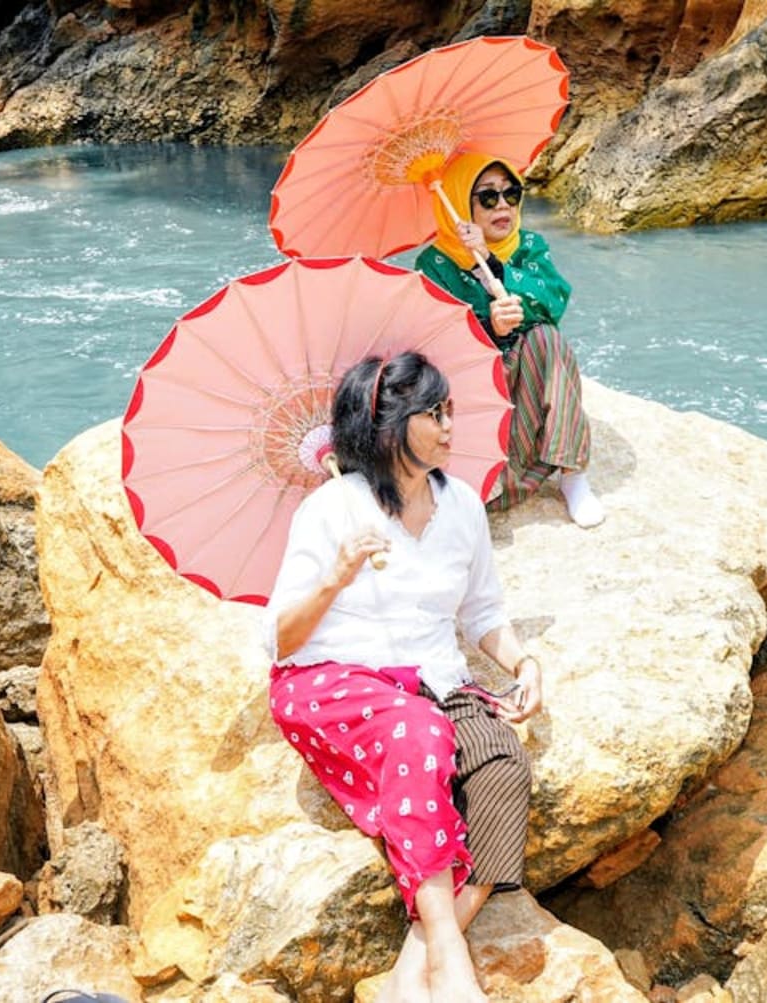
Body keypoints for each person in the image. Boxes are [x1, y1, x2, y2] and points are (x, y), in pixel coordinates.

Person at [269, 351, 543, 1002]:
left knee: (503, 768)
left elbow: (482, 611)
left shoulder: (463, 505)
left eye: (450, 409)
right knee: (418, 733)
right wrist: (336, 575)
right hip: (333, 681)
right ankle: (450, 961)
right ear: (390, 425)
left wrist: (524, 661)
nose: (450, 425)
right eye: (433, 413)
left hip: (434, 680)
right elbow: (280, 638)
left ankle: (408, 969)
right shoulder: (331, 510)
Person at [414, 153, 604, 528]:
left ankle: (572, 473)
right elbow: (428, 342)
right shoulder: (433, 264)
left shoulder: (529, 245)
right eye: (487, 197)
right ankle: (501, 478)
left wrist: (493, 264)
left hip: (527, 375)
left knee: (547, 338)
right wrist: (488, 329)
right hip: (473, 383)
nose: (503, 205)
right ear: (458, 203)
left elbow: (553, 301)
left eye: (511, 193)